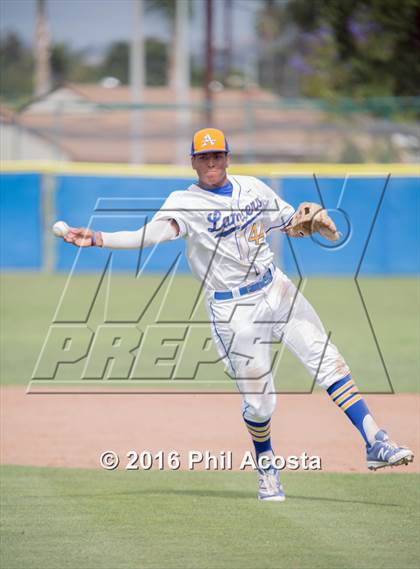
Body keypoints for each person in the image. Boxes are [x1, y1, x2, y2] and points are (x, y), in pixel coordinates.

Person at [64, 128, 414, 501]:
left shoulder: (254, 189)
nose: (211, 162)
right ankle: (266, 467)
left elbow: (289, 221)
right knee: (262, 404)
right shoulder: (184, 202)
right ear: (193, 162)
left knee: (328, 362)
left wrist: (313, 220)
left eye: (217, 155)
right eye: (204, 157)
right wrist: (100, 238)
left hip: (274, 288)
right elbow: (149, 234)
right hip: (233, 311)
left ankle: (375, 440)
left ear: (228, 158)